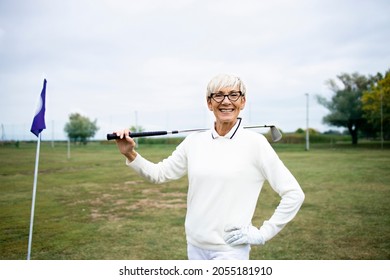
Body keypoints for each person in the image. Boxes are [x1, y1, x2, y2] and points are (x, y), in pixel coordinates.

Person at [114, 73, 305, 260]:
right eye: (219, 95)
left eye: (233, 95)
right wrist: (129, 153)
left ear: (243, 102)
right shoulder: (193, 141)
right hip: (195, 246)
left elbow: (294, 194)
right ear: (209, 103)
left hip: (230, 251)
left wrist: (264, 233)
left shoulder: (256, 144)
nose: (226, 101)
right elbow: (159, 174)